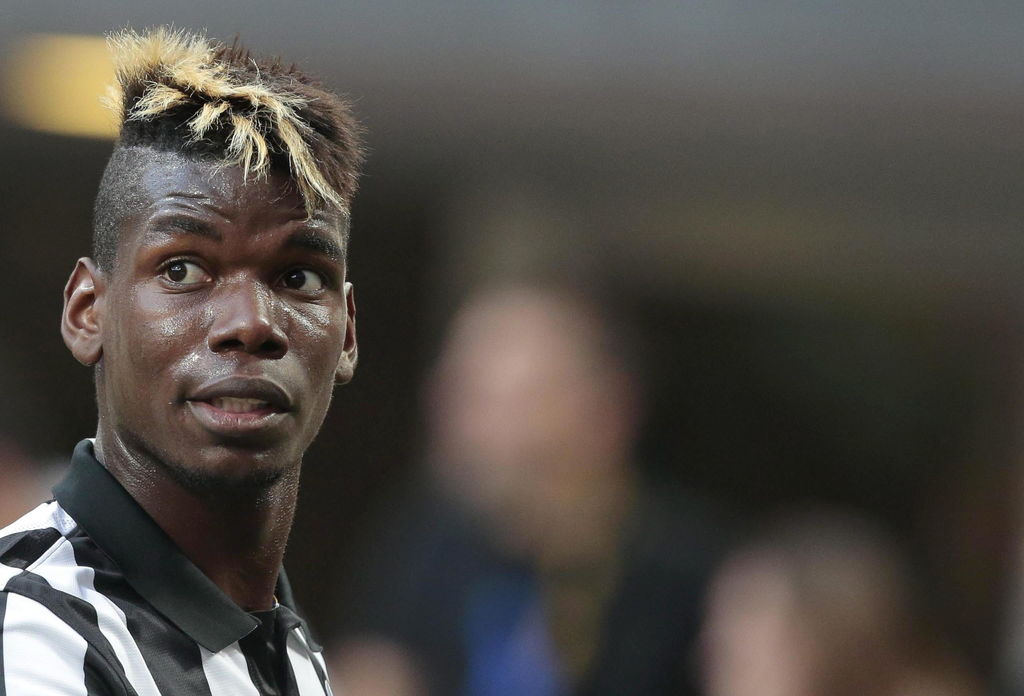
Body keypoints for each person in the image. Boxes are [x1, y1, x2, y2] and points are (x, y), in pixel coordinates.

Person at [0, 27, 363, 695]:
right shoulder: (32, 635)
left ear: (346, 335)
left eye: (299, 278)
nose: (251, 324)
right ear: (87, 313)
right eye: (183, 269)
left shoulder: (289, 658)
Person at [329, 281, 729, 695]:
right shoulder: (428, 540)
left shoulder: (693, 581)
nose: (455, 423)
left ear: (606, 413)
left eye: (491, 400)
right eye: (453, 391)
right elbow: (371, 669)